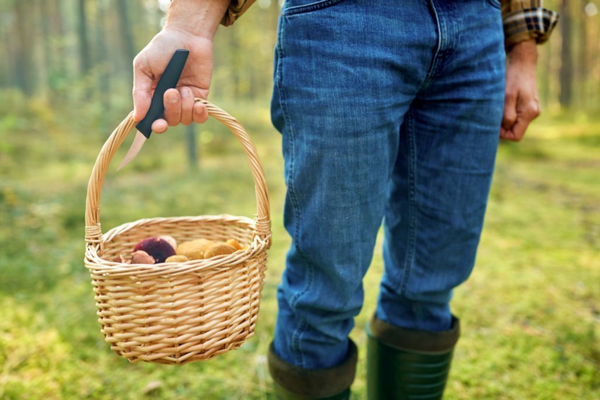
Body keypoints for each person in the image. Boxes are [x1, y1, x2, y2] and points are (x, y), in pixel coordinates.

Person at [132, 0, 558, 398]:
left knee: (432, 285)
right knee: (324, 294)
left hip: (476, 27)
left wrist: (521, 46)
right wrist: (189, 24)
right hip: (344, 21)